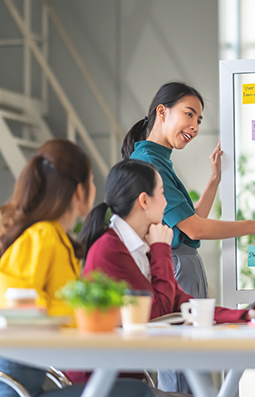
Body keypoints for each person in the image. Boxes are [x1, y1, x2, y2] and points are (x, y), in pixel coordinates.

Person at [79, 158, 255, 394]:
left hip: (127, 380)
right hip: (104, 385)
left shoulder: (134, 245)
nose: (166, 202)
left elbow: (180, 302)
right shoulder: (111, 249)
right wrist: (161, 250)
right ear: (144, 201)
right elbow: (158, 311)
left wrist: (246, 313)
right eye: (162, 193)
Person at [0, 140, 154, 397]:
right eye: (92, 181)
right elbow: (16, 302)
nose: (96, 189)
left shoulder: (58, 240)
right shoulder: (43, 235)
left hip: (32, 384)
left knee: (135, 390)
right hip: (16, 390)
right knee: (136, 392)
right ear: (80, 191)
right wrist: (92, 315)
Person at [121, 82, 255, 299]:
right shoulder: (150, 163)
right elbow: (194, 229)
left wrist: (215, 179)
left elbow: (193, 219)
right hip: (176, 267)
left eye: (198, 120)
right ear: (162, 111)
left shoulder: (158, 160)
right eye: (189, 115)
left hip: (182, 266)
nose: (195, 127)